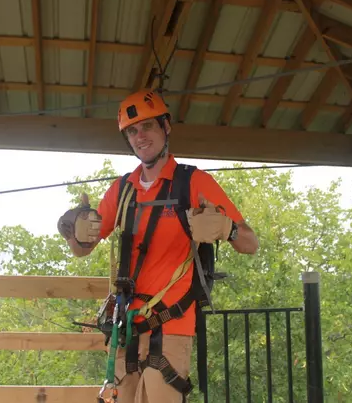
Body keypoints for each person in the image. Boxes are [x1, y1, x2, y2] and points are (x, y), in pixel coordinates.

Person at [57, 89, 259, 403]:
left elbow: (250, 243)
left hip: (171, 324)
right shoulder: (122, 190)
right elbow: (83, 249)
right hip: (125, 326)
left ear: (166, 127)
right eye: (133, 131)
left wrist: (227, 228)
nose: (140, 136)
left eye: (148, 126)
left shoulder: (193, 183)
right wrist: (73, 231)